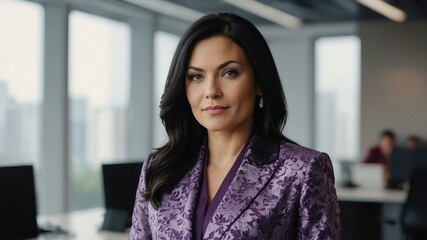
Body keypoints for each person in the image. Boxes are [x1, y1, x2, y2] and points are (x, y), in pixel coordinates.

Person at [129, 13, 340, 239]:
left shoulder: (302, 170)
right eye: (196, 76)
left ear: (259, 82)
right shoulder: (159, 169)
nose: (211, 91)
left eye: (229, 73)